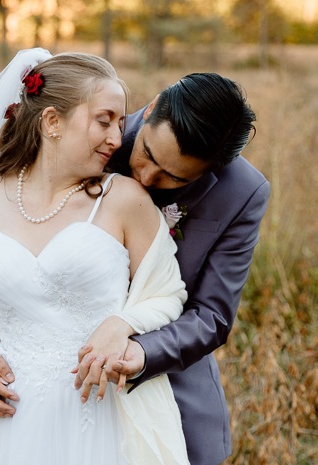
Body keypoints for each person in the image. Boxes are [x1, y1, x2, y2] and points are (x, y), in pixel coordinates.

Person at [0, 48, 190, 465]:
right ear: (51, 122)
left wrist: (123, 324)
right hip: (7, 420)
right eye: (104, 121)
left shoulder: (125, 200)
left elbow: (168, 294)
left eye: (121, 124)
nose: (118, 139)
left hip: (100, 418)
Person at [71, 73, 271, 465]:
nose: (145, 178)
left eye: (172, 177)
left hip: (171, 394)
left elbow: (212, 315)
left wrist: (141, 352)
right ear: (150, 109)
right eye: (147, 153)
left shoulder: (242, 192)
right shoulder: (87, 136)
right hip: (59, 386)